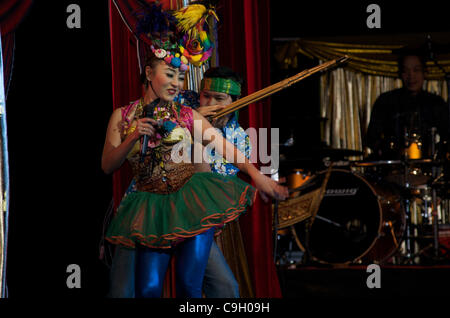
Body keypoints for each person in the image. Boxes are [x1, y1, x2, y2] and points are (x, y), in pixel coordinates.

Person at [102, 3, 288, 298]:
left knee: (198, 287)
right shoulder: (122, 117)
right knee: (145, 289)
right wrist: (132, 137)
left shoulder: (188, 115)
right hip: (148, 207)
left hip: (189, 204)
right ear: (148, 72)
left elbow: (228, 150)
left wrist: (259, 176)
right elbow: (107, 166)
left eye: (180, 77)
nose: (177, 83)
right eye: (170, 75)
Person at [107, 67, 249, 298]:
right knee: (123, 290)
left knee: (225, 288)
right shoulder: (181, 103)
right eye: (206, 95)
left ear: (234, 101)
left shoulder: (239, 140)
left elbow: (208, 185)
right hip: (147, 211)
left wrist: (201, 131)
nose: (210, 101)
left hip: (191, 219)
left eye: (220, 98)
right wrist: (194, 120)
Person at [366, 51, 449, 160]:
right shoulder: (386, 101)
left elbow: (447, 136)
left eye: (416, 70)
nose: (411, 76)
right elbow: (372, 138)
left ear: (425, 72)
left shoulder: (435, 103)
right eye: (406, 71)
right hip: (393, 166)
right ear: (400, 74)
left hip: (429, 166)